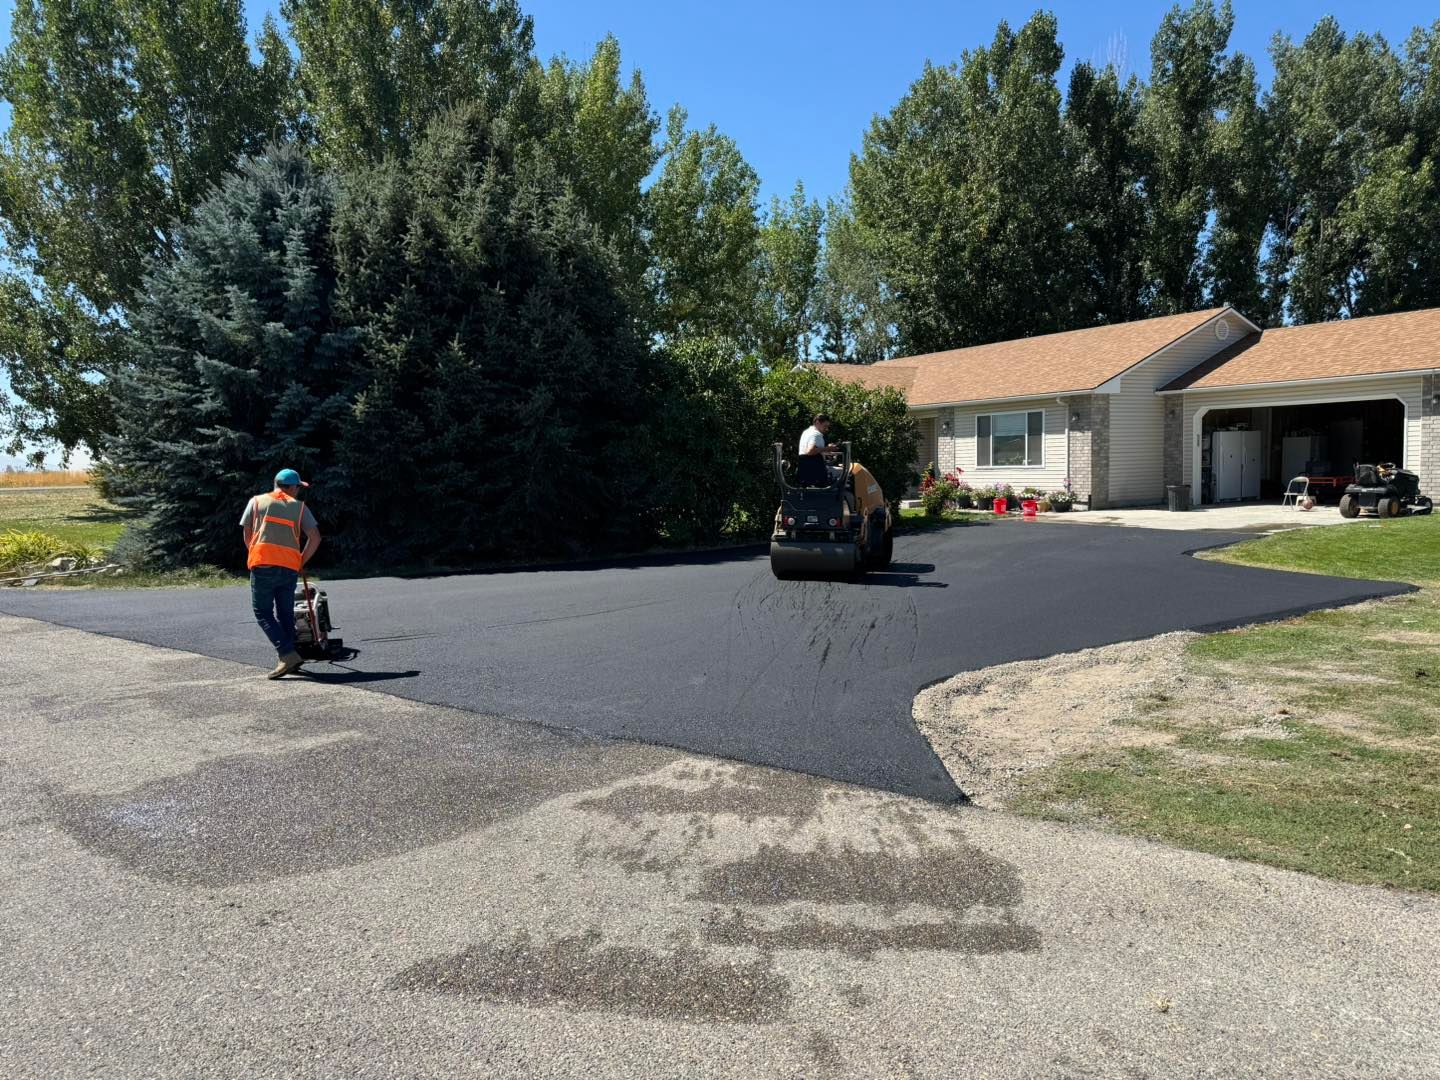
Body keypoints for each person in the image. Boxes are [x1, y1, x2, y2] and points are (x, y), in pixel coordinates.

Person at [240, 468, 321, 679]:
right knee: (285, 613)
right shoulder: (300, 507)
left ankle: (287, 655)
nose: (298, 492)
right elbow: (315, 538)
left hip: (263, 565)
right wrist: (300, 561)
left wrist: (256, 553)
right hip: (288, 568)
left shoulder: (256, 502)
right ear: (292, 487)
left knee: (263, 613)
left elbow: (247, 532)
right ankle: (290, 655)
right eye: (298, 488)